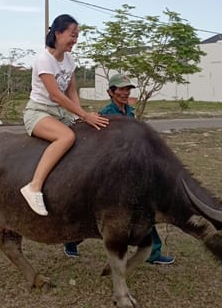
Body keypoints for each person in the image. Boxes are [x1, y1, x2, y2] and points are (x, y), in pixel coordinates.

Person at [63, 73, 175, 265]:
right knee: (97, 216)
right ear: (110, 92)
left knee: (146, 208)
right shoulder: (107, 115)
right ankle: (72, 241)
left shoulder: (129, 113)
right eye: (121, 89)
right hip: (112, 174)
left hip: (132, 171)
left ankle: (153, 253)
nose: (125, 93)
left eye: (128, 89)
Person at [21, 14, 109, 216]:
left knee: (86, 132)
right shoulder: (44, 60)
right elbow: (55, 95)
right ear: (58, 33)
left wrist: (81, 116)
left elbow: (71, 92)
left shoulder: (70, 59)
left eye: (77, 36)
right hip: (39, 111)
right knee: (66, 137)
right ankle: (34, 186)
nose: (75, 40)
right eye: (72, 35)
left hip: (61, 113)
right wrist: (85, 115)